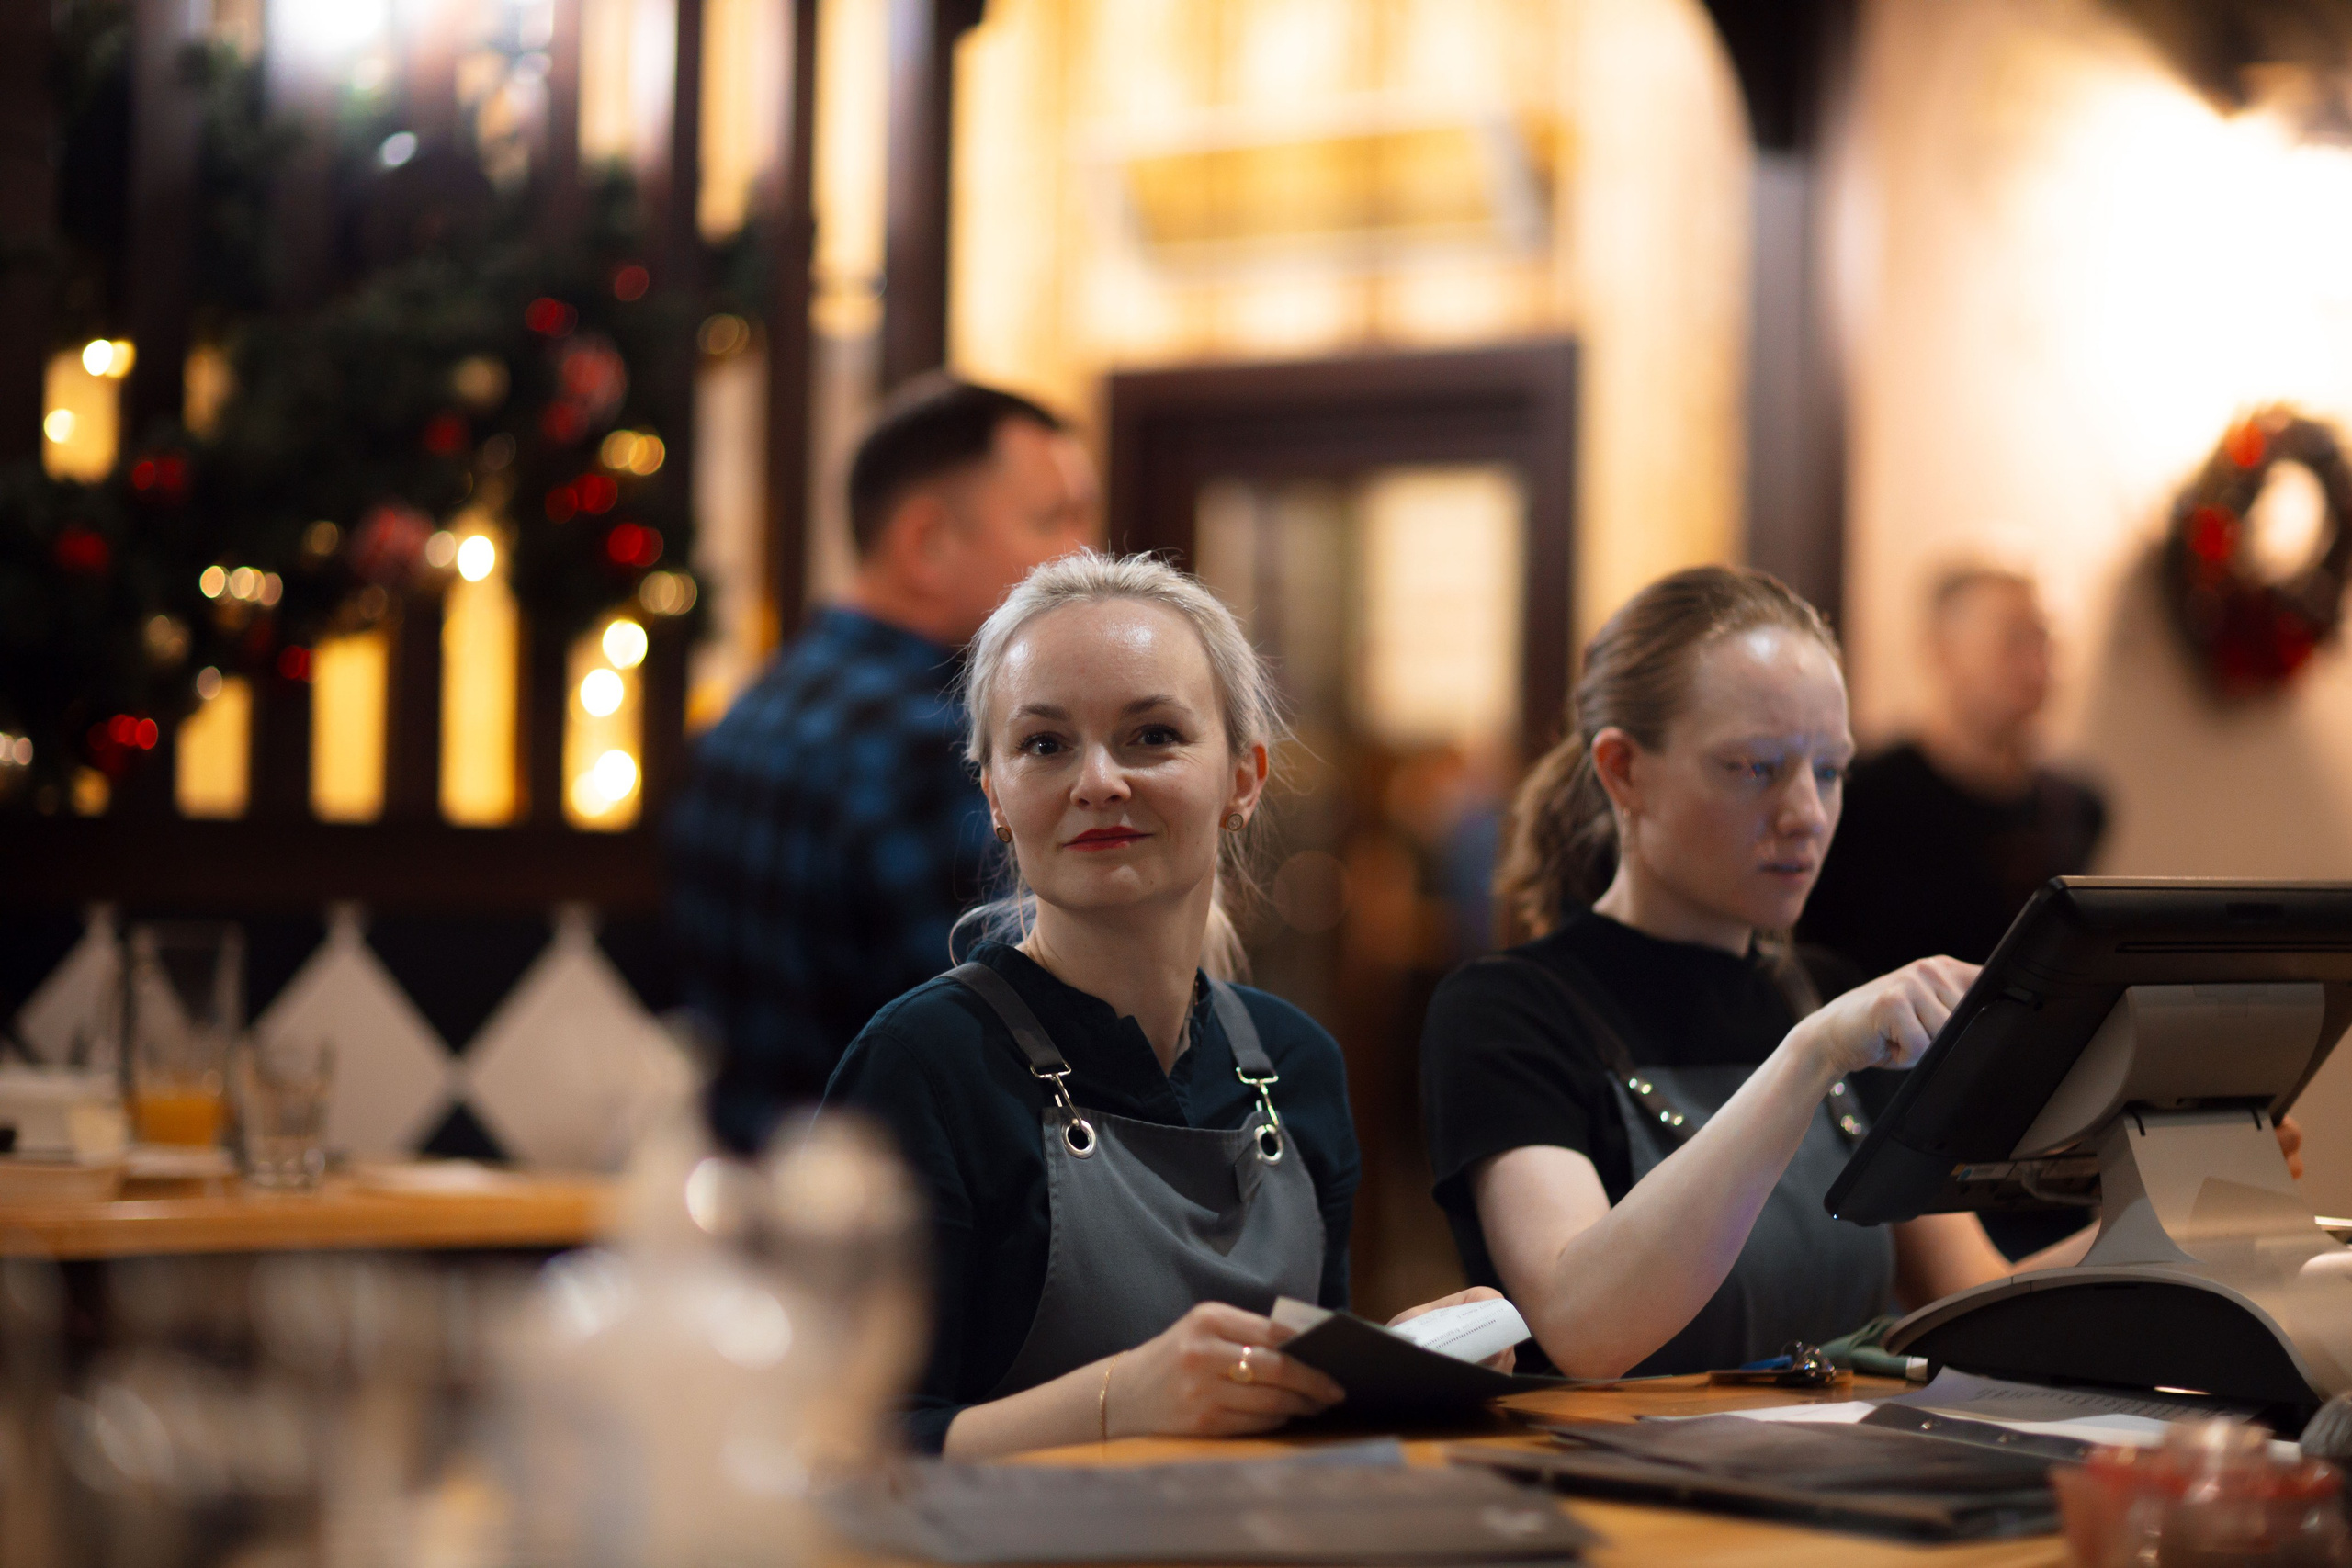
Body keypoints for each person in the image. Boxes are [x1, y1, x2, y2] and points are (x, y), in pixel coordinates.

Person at [821, 552, 1502, 1457]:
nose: (1098, 780)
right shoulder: (922, 1065)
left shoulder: (1298, 1066)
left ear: (1244, 778)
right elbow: (841, 1450)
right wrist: (1114, 1399)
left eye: (1151, 736)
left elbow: (1296, 1426)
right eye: (1044, 744)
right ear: (992, 795)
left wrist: (1398, 1366)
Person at [1418, 566, 2099, 1381]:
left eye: (1828, 770)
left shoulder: (1819, 986)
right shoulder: (1509, 1011)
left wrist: (2169, 1206)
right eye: (1754, 767)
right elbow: (1583, 1326)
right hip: (1622, 1497)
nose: (1806, 815)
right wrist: (1808, 1057)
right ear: (1623, 770)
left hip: (1841, 1488)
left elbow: (1978, 1304)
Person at [670, 378, 1098, 1155]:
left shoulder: (750, 709)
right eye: (1052, 519)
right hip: (909, 1231)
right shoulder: (936, 742)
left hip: (756, 1200)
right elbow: (1004, 1053)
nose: (1084, 553)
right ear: (925, 542)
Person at [1800, 565, 2107, 984]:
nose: (2037, 665)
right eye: (2013, 640)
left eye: (2045, 640)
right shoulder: (1859, 797)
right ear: (1940, 650)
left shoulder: (2078, 807)